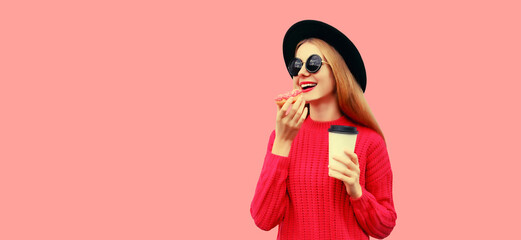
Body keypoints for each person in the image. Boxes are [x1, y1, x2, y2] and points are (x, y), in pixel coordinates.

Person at [250, 20, 397, 239]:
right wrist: (282, 142)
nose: (302, 73)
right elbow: (263, 219)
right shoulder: (281, 136)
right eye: (296, 66)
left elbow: (384, 227)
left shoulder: (369, 141)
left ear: (338, 71)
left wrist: (357, 192)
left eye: (313, 63)